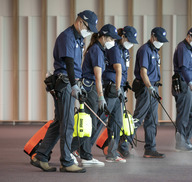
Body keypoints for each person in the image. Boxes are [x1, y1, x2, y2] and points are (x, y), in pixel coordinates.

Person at [30, 10, 98, 173]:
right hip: (65, 82)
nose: (89, 32)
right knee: (68, 122)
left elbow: (75, 64)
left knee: (60, 121)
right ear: (80, 22)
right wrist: (74, 85)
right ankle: (66, 161)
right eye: (88, 28)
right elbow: (68, 63)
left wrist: (78, 83)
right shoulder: (67, 36)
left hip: (70, 81)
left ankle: (41, 156)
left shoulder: (79, 38)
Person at [70, 24, 123, 166]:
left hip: (91, 88)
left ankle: (85, 155)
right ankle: (72, 150)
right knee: (89, 124)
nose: (113, 41)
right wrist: (101, 96)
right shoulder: (97, 51)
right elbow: (98, 77)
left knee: (90, 124)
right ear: (104, 37)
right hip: (91, 88)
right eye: (111, 38)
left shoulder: (98, 49)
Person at [129, 27, 168, 158]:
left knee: (152, 120)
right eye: (159, 39)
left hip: (153, 88)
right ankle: (122, 146)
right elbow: (143, 72)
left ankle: (150, 149)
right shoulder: (145, 50)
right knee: (138, 118)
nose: (161, 42)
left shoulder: (155, 51)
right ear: (152, 37)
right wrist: (149, 87)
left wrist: (154, 88)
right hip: (146, 88)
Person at [103, 26, 138, 159]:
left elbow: (123, 71)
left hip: (119, 90)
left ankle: (112, 153)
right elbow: (116, 70)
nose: (131, 43)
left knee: (117, 122)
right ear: (123, 37)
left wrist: (124, 85)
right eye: (129, 40)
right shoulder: (114, 49)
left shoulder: (125, 51)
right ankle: (79, 150)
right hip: (111, 88)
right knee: (98, 120)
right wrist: (118, 89)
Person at [172, 27, 192, 152]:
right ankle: (180, 143)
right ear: (189, 36)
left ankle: (185, 140)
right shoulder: (183, 48)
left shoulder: (189, 48)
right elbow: (184, 68)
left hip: (188, 85)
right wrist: (190, 83)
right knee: (183, 115)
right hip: (183, 84)